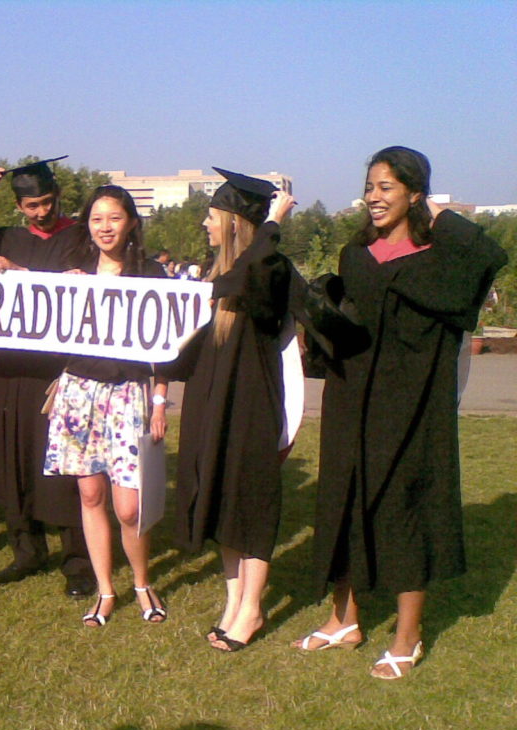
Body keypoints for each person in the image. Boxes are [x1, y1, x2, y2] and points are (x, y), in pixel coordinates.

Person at [294, 146, 506, 678]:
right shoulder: (356, 256)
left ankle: (408, 636)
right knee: (342, 498)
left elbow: (487, 253)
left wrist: (438, 214)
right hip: (351, 400)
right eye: (369, 186)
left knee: (404, 508)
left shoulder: (442, 263)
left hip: (413, 407)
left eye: (387, 187)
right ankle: (344, 618)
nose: (373, 197)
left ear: (414, 192)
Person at [166, 169, 297, 652]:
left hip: (251, 407)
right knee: (221, 501)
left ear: (237, 222)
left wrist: (272, 225)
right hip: (213, 404)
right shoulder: (214, 274)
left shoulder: (270, 268)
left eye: (212, 214)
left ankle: (254, 609)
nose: (204, 223)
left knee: (251, 504)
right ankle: (234, 602)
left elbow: (248, 279)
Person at [0, 159, 95, 598]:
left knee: (62, 463)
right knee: (12, 459)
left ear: (57, 196)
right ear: (19, 206)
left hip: (56, 369)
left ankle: (77, 561)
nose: (41, 212)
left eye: (46, 202)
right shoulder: (5, 239)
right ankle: (26, 551)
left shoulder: (79, 237)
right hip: (6, 370)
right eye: (31, 205)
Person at [43, 185, 169, 626]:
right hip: (78, 391)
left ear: (131, 222)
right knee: (90, 493)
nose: (105, 227)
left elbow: (165, 349)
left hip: (128, 393)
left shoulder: (151, 274)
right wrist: (64, 291)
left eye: (114, 218)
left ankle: (141, 581)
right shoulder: (73, 272)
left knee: (130, 506)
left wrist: (159, 401)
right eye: (97, 219)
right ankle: (104, 589)